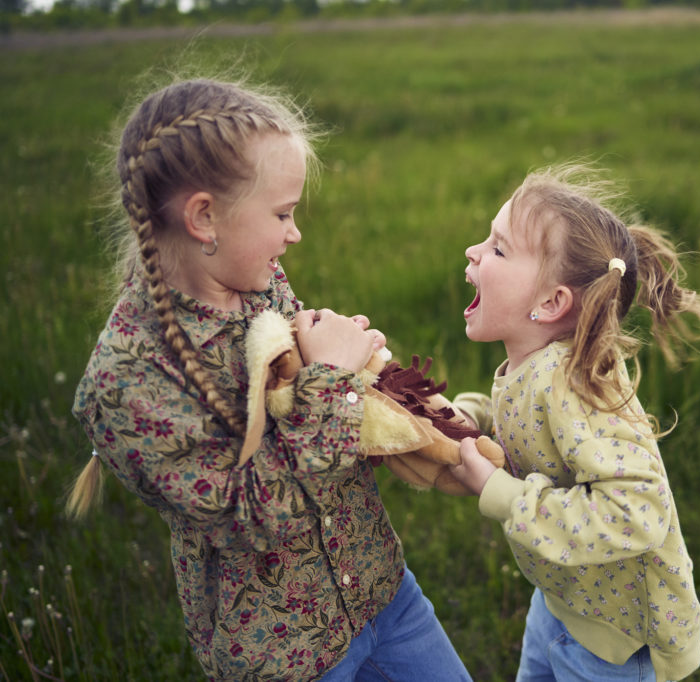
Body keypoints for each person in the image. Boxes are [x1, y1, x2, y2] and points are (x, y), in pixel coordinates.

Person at [66, 77, 471, 681]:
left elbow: (298, 402)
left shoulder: (263, 282)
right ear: (205, 217)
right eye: (282, 213)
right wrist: (332, 378)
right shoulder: (127, 383)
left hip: (384, 593)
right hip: (285, 657)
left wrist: (383, 396)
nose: (294, 233)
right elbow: (248, 516)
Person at [448, 163, 700, 682]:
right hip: (561, 602)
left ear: (551, 303)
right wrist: (469, 418)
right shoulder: (535, 363)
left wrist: (504, 495)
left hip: (614, 644)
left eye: (498, 249)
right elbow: (526, 425)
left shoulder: (575, 385)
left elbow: (639, 509)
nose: (474, 252)